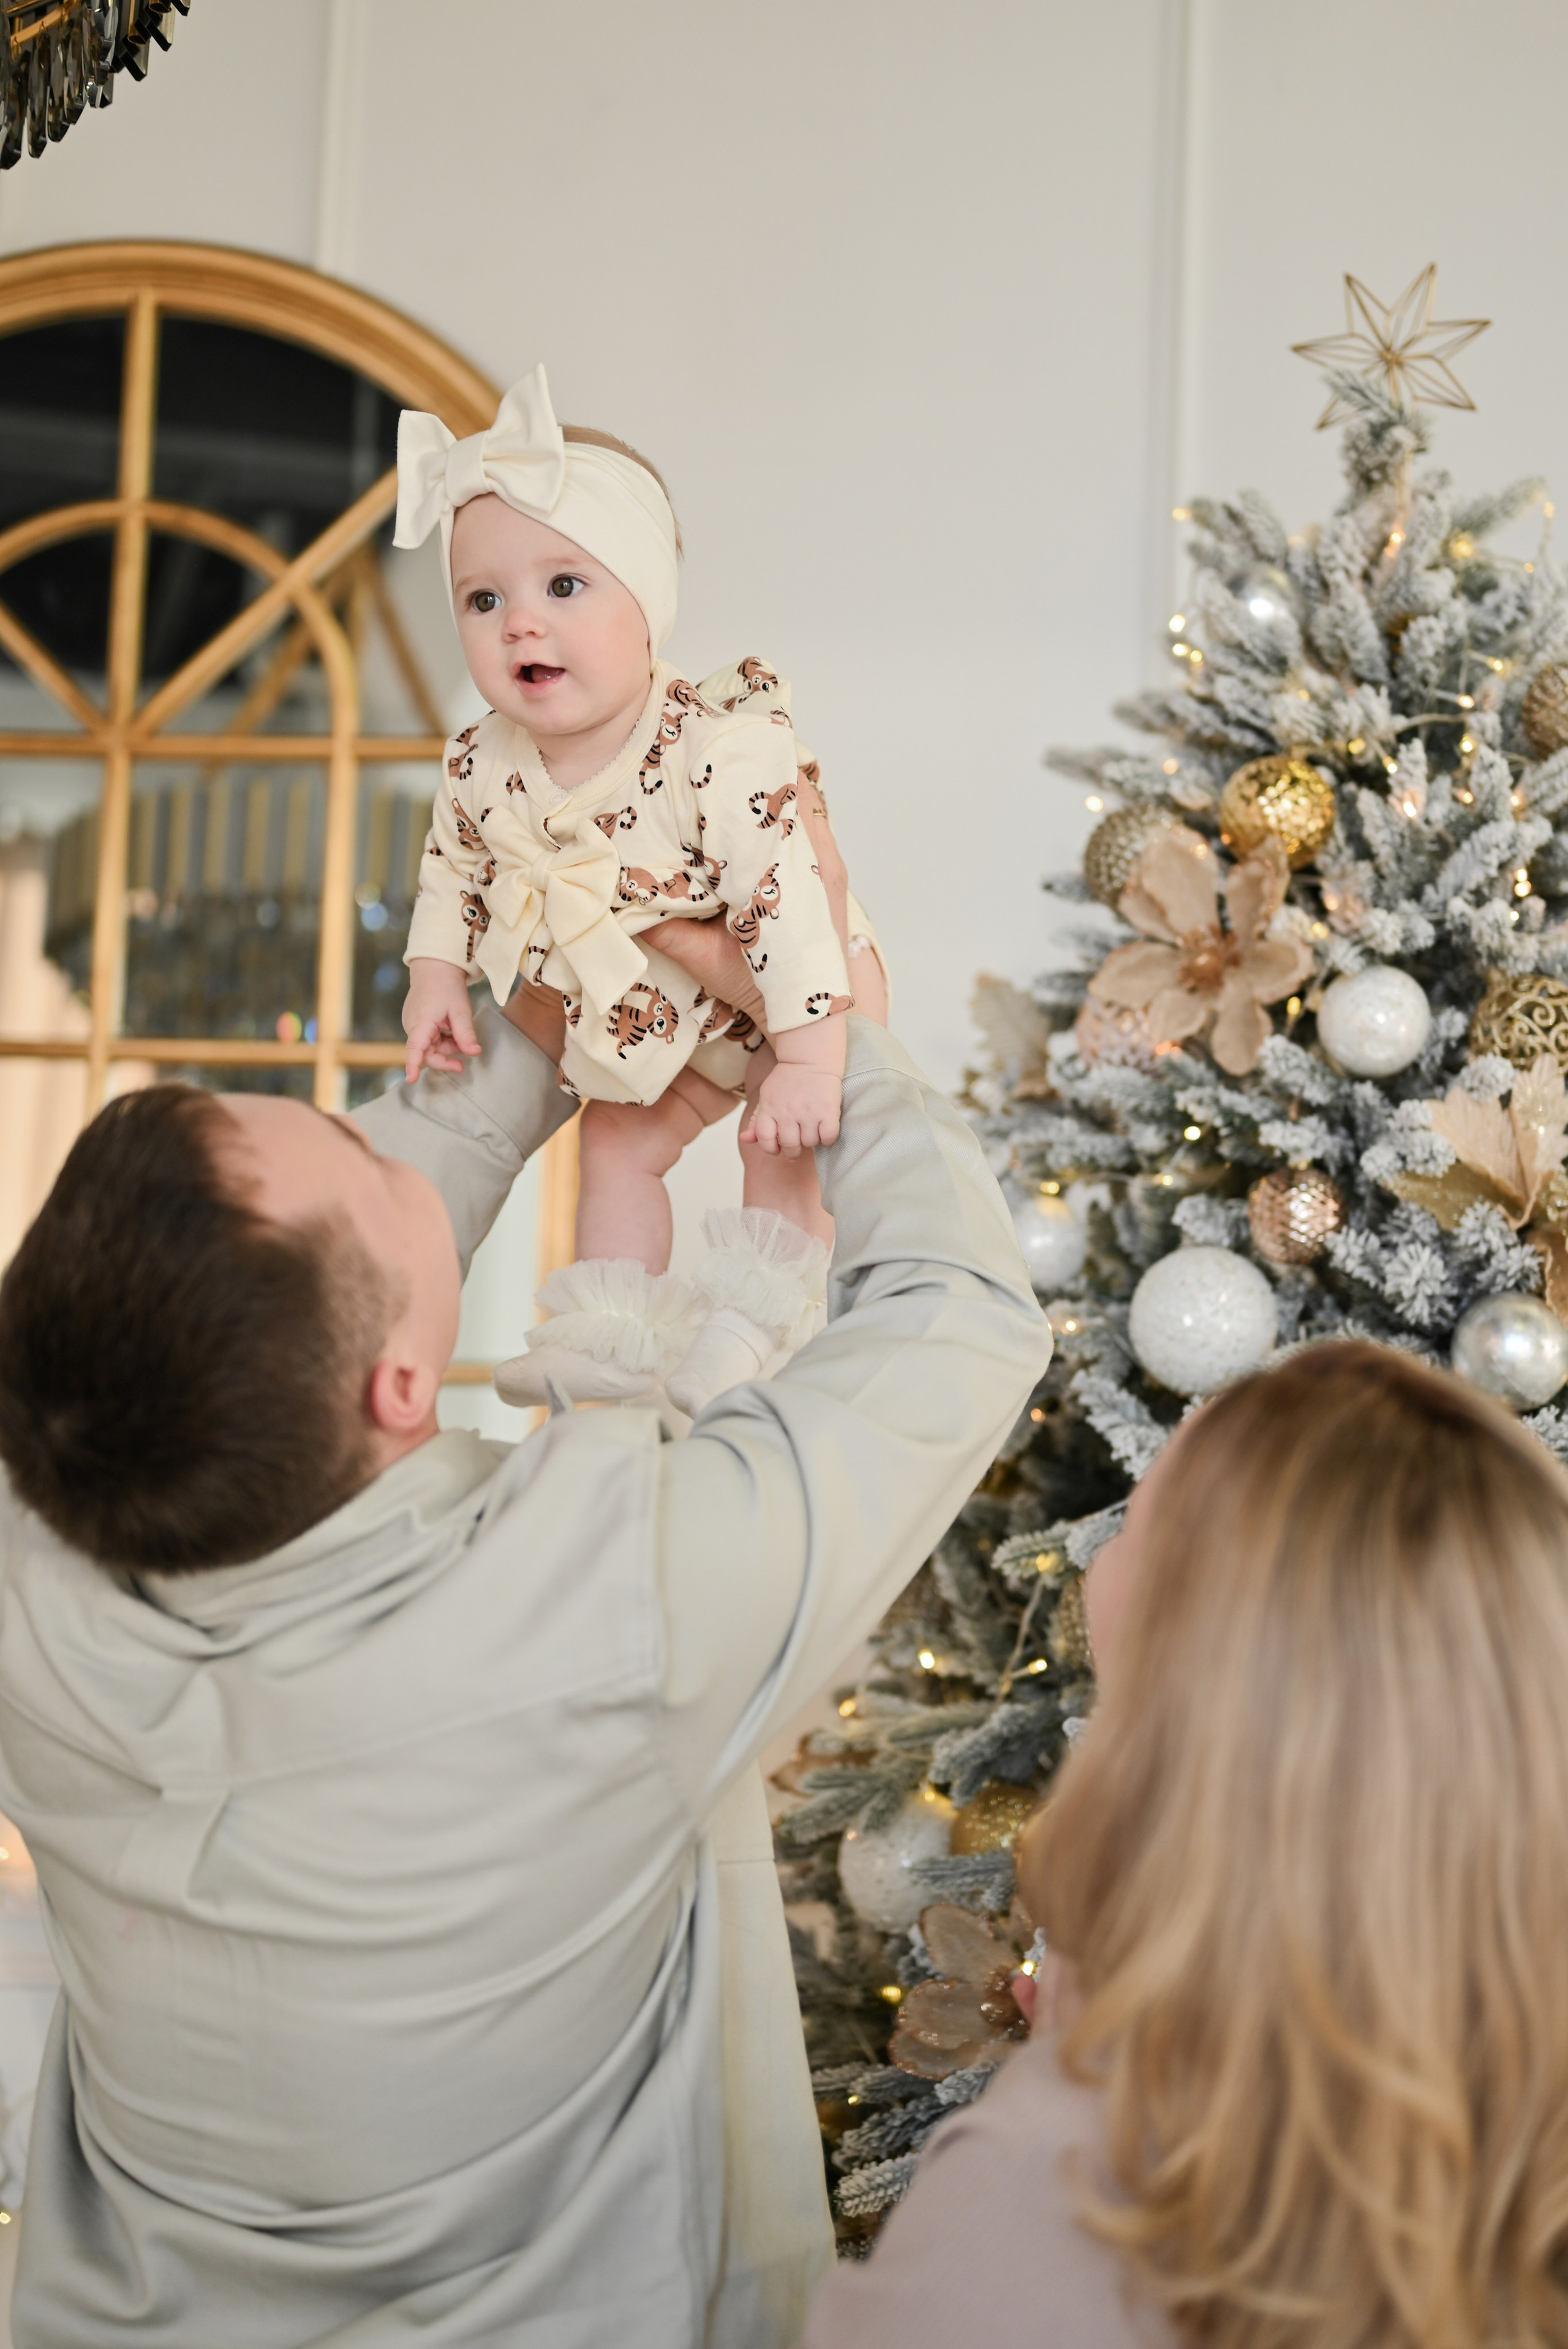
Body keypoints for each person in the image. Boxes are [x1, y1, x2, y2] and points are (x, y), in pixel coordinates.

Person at [0, 883, 1050, 2348]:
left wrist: (559, 1013)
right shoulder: (608, 1593)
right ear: (400, 1391)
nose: (395, 1138)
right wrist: (833, 1030)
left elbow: (328, 1238)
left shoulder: (25, 1563)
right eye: (375, 1159)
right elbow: (955, 1314)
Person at [802, 1341, 1568, 2349]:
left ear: (1205, 1677)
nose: (1100, 1549)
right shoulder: (1514, 2150)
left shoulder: (1058, 2190)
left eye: (1140, 1519)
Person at [395, 364, 888, 1417]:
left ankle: (750, 1328)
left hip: (791, 990)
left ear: (647, 602)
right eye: (485, 600)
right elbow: (453, 867)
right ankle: (613, 1344)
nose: (521, 625)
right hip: (649, 1015)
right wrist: (435, 976)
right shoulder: (483, 759)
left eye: (564, 586)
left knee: (784, 1139)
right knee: (615, 1143)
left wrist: (805, 1055)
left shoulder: (716, 749)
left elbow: (788, 902)